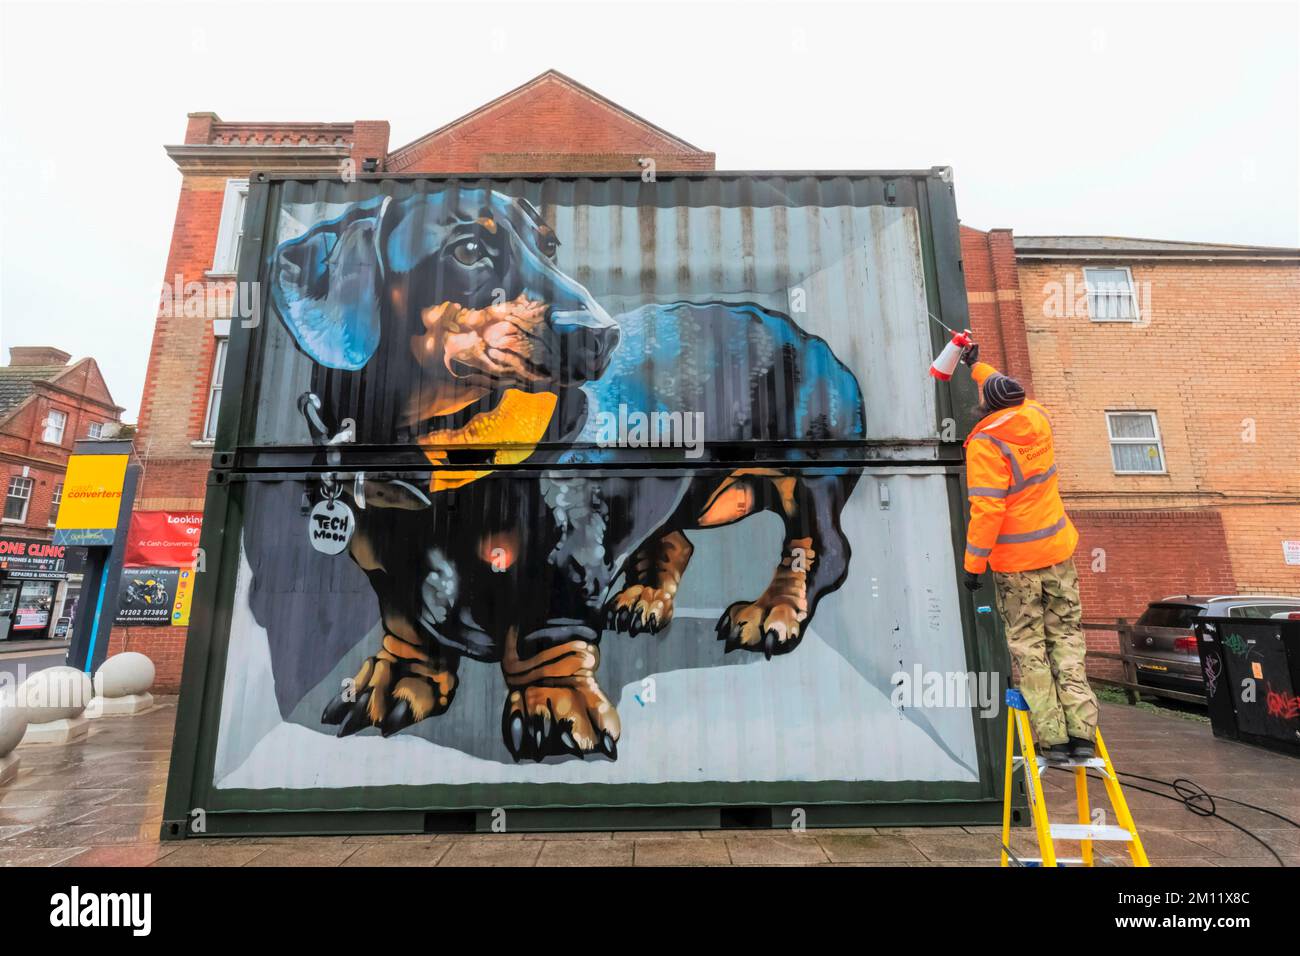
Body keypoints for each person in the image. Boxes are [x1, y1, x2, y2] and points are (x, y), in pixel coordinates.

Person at [959, 345, 1098, 762]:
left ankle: (1052, 740)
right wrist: (975, 364)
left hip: (1016, 565)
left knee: (1029, 645)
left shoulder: (986, 445)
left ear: (986, 407)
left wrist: (972, 565)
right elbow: (1000, 385)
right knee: (1067, 638)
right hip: (1057, 553)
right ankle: (1082, 732)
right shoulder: (1037, 417)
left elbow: (987, 510)